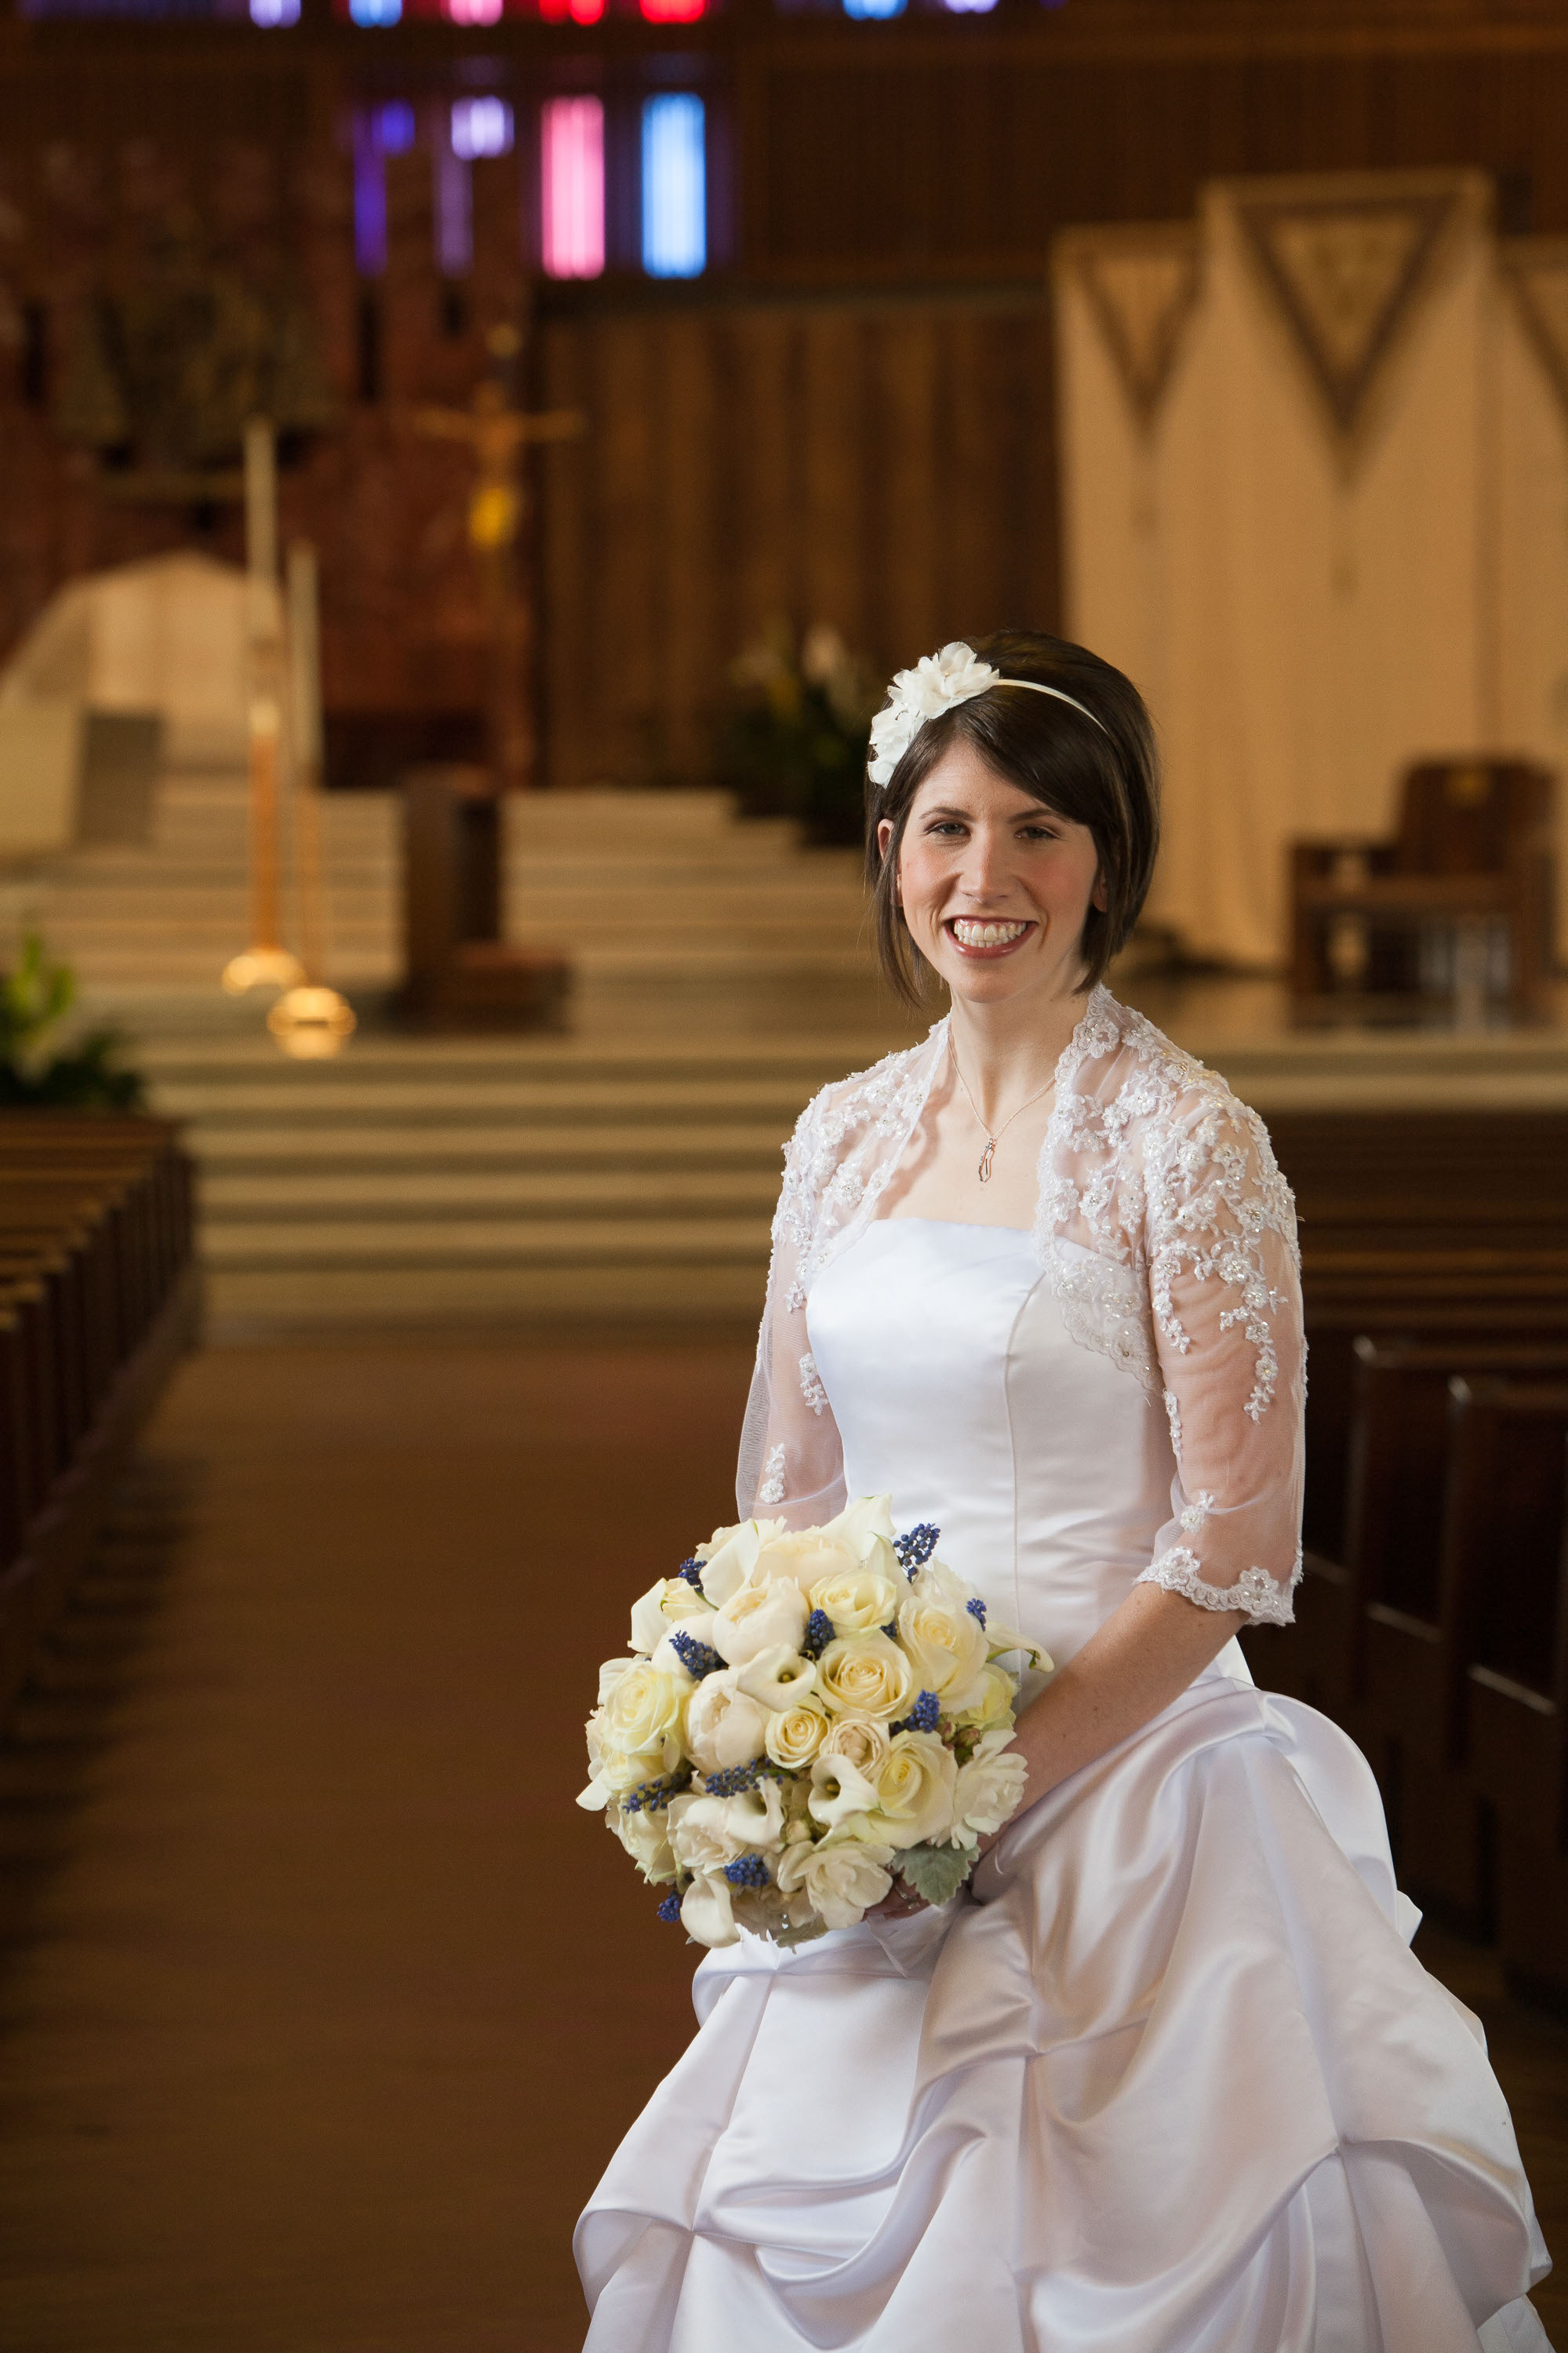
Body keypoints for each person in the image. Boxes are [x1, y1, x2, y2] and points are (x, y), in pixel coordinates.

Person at [576, 631, 1552, 2351]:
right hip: (870, 1792)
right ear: (890, 856)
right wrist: (794, 1760)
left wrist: (977, 1785)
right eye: (946, 827)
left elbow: (1234, 1551)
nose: (986, 876)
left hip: (1136, 1781)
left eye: (1039, 829)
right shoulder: (841, 1137)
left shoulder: (1189, 1143)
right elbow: (793, 1501)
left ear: (1108, 863)